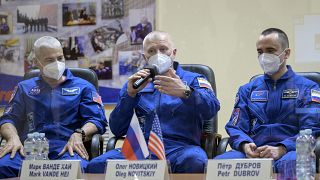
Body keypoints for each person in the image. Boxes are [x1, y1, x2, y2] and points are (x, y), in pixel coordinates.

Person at [87, 30, 220, 173]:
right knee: (97, 165)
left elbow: (211, 109)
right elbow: (117, 129)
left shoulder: (193, 79)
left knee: (196, 161)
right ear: (145, 57)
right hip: (140, 149)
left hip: (181, 148)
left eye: (163, 49)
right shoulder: (136, 82)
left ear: (173, 52)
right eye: (152, 51)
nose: (158, 55)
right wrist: (130, 95)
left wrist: (186, 92)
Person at [0, 36, 108, 178]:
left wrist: (79, 134)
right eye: (50, 60)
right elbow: (8, 119)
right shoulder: (24, 88)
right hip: (29, 150)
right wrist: (12, 137)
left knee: (76, 169)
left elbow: (96, 120)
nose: (57, 64)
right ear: (35, 62)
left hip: (67, 148)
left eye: (60, 58)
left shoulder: (83, 87)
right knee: (3, 167)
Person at [215, 28, 320, 172]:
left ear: (286, 53)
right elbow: (235, 127)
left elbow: (311, 129)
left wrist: (282, 148)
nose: (264, 56)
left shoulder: (308, 89)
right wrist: (245, 145)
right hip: (254, 153)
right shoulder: (247, 90)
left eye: (270, 50)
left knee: (296, 162)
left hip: (290, 152)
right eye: (260, 52)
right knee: (220, 163)